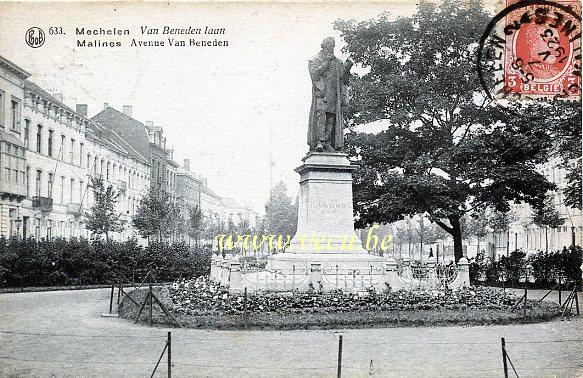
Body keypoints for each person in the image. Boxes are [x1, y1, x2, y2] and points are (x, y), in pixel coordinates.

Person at [307, 37, 353, 152]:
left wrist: (347, 69)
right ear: (324, 46)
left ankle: (327, 141)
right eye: (329, 46)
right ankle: (319, 141)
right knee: (321, 116)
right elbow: (314, 74)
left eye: (333, 46)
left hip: (333, 95)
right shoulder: (315, 59)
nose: (331, 48)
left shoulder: (337, 62)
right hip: (321, 94)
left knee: (331, 118)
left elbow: (343, 79)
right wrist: (326, 62)